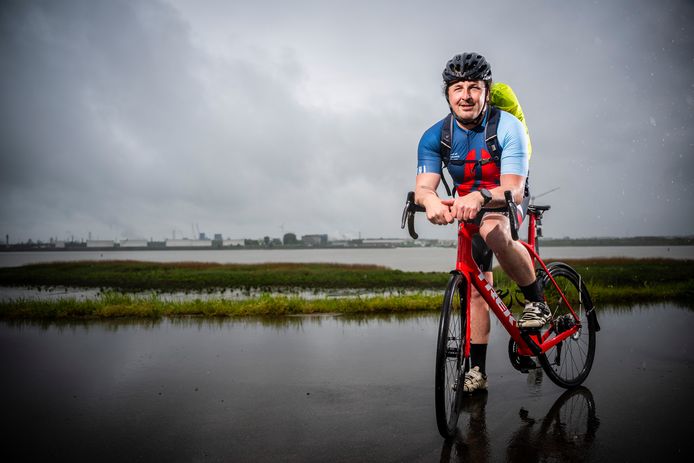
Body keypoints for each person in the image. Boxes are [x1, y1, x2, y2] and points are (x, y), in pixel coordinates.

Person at [415, 52, 550, 393]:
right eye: (458, 87)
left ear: (487, 92)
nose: (466, 95)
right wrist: (430, 201)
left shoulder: (507, 126)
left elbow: (514, 189)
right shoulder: (435, 136)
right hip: (466, 206)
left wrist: (479, 197)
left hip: (504, 199)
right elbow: (423, 187)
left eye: (474, 87)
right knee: (475, 290)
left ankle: (536, 301)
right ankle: (477, 372)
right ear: (447, 94)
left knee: (492, 229)